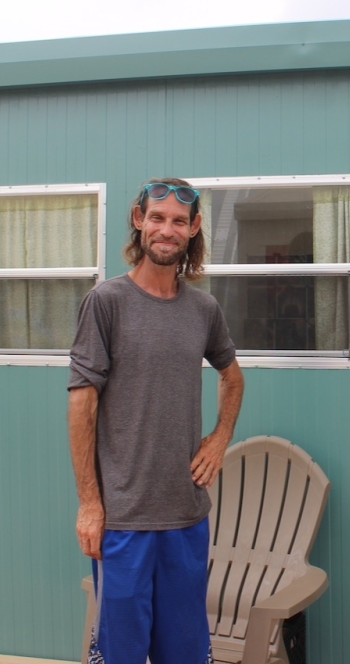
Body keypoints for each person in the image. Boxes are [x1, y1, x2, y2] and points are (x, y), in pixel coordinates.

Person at [68, 178, 245, 664]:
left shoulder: (203, 309)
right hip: (123, 519)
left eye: (178, 221)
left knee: (185, 653)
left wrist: (220, 436)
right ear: (138, 220)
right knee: (122, 653)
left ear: (194, 228)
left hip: (186, 516)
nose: (166, 230)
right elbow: (81, 405)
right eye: (157, 218)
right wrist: (89, 503)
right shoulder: (106, 302)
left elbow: (232, 376)